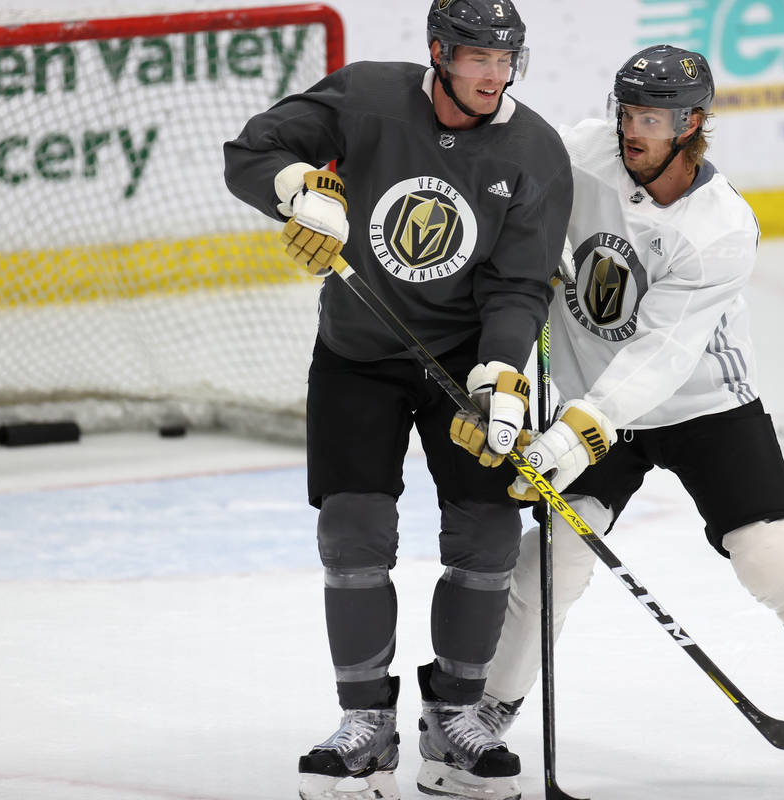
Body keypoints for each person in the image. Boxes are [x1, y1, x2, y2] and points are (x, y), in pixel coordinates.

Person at [450, 45, 784, 800]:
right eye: (627, 113)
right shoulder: (583, 155)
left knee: (774, 555)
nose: (632, 130)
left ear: (692, 124)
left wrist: (575, 432)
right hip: (594, 399)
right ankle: (487, 709)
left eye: (650, 117)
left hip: (703, 403)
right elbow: (502, 142)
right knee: (554, 558)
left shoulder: (720, 228)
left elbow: (663, 354)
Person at [222, 2, 572, 799]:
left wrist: (501, 376)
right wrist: (295, 190)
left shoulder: (534, 150)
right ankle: (366, 727)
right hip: (358, 353)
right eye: (479, 58)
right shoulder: (369, 98)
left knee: (486, 535)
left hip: (462, 361)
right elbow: (252, 149)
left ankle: (454, 719)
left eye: (506, 59)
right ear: (439, 52)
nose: (495, 75)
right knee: (353, 534)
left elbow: (519, 284)